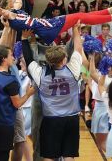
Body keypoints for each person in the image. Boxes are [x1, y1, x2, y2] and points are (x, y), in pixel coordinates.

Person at [21, 22, 83, 161]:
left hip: (51, 120)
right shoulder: (72, 70)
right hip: (71, 119)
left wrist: (25, 39)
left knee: (49, 156)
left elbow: (29, 59)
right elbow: (78, 50)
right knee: (68, 156)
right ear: (64, 58)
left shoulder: (41, 74)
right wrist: (75, 31)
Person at [0, 0, 112, 45]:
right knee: (80, 16)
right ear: (6, 1)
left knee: (82, 15)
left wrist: (14, 3)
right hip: (47, 29)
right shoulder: (8, 16)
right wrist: (2, 11)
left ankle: (110, 11)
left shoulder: (13, 10)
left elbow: (17, 4)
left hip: (46, 24)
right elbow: (8, 14)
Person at [0, 44, 35, 161]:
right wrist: (28, 94)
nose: (13, 58)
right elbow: (17, 104)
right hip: (4, 124)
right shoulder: (11, 81)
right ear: (3, 59)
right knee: (2, 156)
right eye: (10, 55)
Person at [88, 53, 112, 152]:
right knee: (102, 143)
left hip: (103, 108)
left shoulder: (107, 79)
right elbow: (92, 73)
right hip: (103, 107)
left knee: (103, 143)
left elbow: (91, 73)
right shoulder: (107, 77)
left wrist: (91, 59)